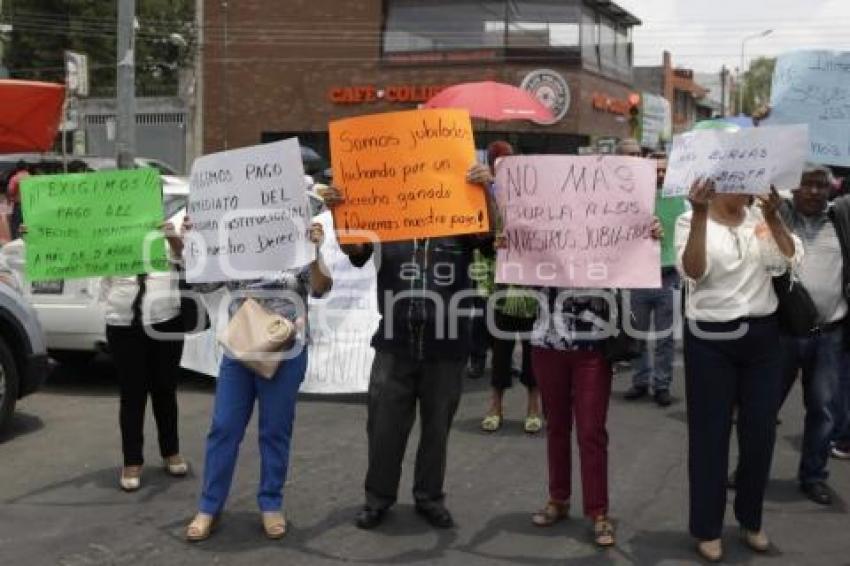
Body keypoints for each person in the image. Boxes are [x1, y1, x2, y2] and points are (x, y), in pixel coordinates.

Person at [324, 164, 495, 531]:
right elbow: (355, 249)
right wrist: (340, 210)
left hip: (447, 344)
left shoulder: (461, 217)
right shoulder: (384, 216)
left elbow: (492, 239)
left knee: (437, 431)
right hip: (394, 342)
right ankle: (377, 499)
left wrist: (486, 193)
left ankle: (429, 498)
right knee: (383, 428)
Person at [676, 178, 801, 562]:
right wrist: (698, 216)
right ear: (717, 184)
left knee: (760, 435)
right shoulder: (689, 218)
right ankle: (706, 527)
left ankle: (751, 519)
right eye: (739, 181)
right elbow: (693, 272)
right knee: (710, 437)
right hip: (710, 338)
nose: (748, 188)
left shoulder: (759, 218)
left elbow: (788, 262)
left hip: (762, 338)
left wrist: (774, 218)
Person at [185, 221, 332, 542]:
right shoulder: (237, 240)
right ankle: (209, 506)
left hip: (287, 351)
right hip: (241, 349)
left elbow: (321, 287)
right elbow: (202, 284)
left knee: (275, 430)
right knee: (224, 428)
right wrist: (191, 242)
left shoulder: (298, 241)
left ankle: (271, 503)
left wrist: (315, 250)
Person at [528, 216, 664, 548]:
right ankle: (558, 498)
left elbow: (632, 264)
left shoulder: (605, 227)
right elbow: (522, 276)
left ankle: (598, 511)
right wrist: (508, 248)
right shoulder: (537, 224)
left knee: (591, 430)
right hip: (548, 341)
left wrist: (648, 238)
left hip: (593, 344)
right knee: (556, 425)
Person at [775, 164, 850, 504]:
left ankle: (814, 476)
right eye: (808, 184)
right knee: (761, 409)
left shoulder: (842, 219)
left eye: (822, 184)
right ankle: (751, 470)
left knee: (823, 411)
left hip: (829, 335)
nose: (816, 191)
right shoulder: (778, 214)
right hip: (781, 333)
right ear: (794, 187)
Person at [99, 222, 190, 491]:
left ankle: (171, 451)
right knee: (132, 394)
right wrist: (36, 240)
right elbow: (73, 256)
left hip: (165, 320)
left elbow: (190, 264)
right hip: (124, 324)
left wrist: (173, 238)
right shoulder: (108, 236)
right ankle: (132, 461)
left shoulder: (165, 234)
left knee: (165, 389)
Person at [478, 141, 542, 434]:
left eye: (507, 161)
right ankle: (496, 406)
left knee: (533, 349)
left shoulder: (532, 194)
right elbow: (479, 239)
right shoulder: (483, 194)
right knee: (500, 350)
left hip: (531, 283)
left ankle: (533, 407)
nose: (502, 166)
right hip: (500, 285)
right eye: (497, 161)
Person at [624, 153, 684, 407]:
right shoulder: (632, 200)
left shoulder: (684, 201)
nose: (660, 175)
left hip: (669, 276)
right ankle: (640, 380)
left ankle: (661, 385)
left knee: (665, 337)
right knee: (636, 334)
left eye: (664, 171)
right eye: (655, 170)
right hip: (638, 275)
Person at [6, 161, 30, 238]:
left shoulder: (15, 178)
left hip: (18, 204)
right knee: (25, 223)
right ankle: (24, 239)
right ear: (26, 167)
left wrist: (11, 198)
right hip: (29, 205)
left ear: (17, 168)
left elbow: (10, 191)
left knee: (16, 224)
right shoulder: (30, 178)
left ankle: (16, 240)